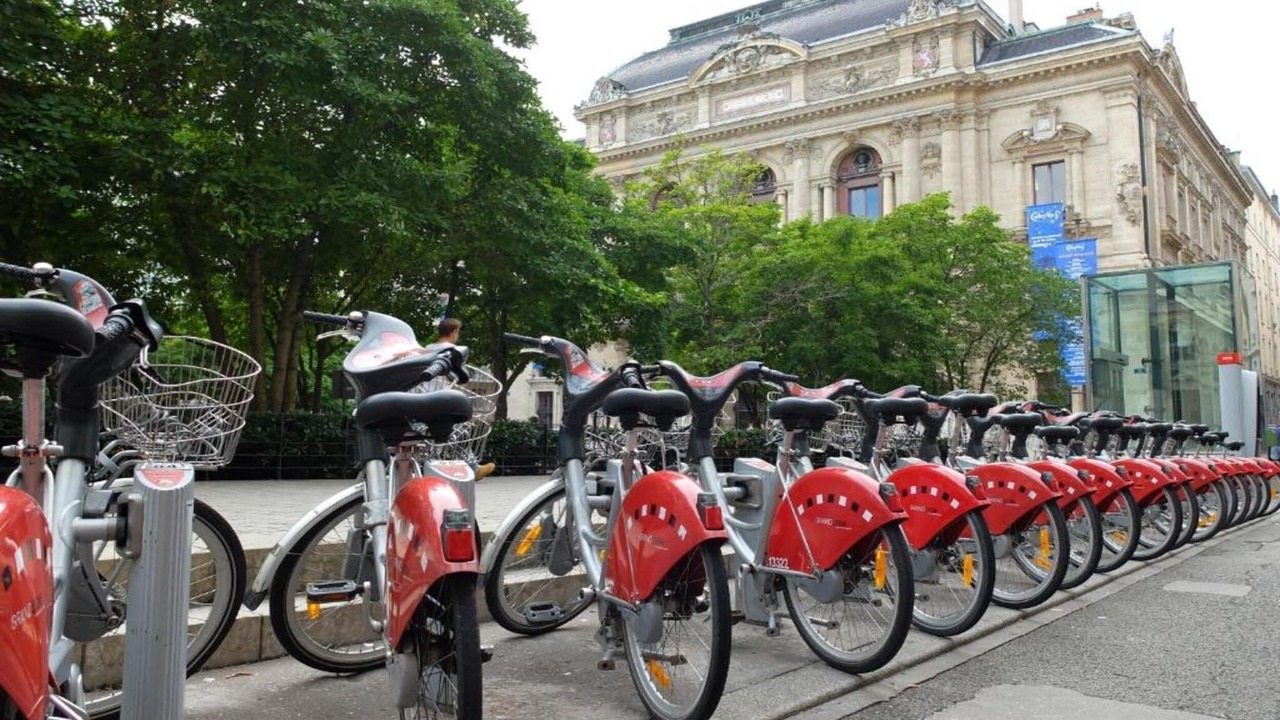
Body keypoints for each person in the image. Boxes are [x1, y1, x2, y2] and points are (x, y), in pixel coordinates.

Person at [425, 317, 496, 480]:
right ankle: (472, 466)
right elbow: (459, 376)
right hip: (441, 399)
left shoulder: (427, 349)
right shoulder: (454, 351)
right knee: (461, 430)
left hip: (423, 396)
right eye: (458, 331)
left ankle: (469, 465)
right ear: (454, 331)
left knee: (441, 435)